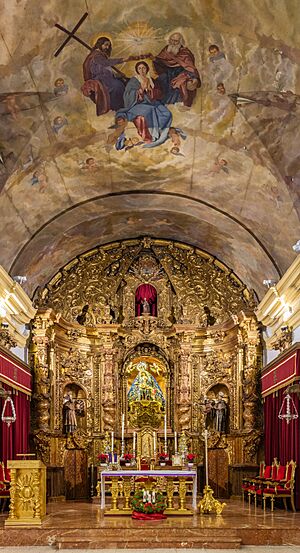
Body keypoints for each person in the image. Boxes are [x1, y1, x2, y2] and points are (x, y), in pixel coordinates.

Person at [115, 61, 172, 148]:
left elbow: (159, 93)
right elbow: (127, 94)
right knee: (150, 111)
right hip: (138, 103)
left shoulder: (151, 79)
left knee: (167, 114)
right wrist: (139, 91)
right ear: (137, 70)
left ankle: (160, 130)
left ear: (147, 69)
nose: (142, 70)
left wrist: (150, 90)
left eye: (144, 68)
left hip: (152, 102)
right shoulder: (134, 80)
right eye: (139, 68)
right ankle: (152, 135)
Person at [82, 37, 142, 115]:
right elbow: (106, 63)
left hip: (106, 77)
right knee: (118, 85)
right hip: (100, 79)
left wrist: (115, 74)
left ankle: (129, 103)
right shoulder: (96, 55)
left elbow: (105, 69)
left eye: (108, 46)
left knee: (124, 80)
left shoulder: (100, 54)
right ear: (100, 44)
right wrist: (123, 59)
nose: (107, 47)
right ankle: (120, 107)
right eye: (106, 45)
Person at [153, 32, 201, 107]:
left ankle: (177, 103)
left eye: (176, 41)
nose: (173, 43)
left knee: (178, 84)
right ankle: (162, 103)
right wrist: (155, 60)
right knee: (161, 81)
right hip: (167, 73)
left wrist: (193, 78)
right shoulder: (166, 50)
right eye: (172, 40)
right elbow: (160, 61)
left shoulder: (185, 52)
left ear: (180, 42)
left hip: (180, 73)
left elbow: (191, 68)